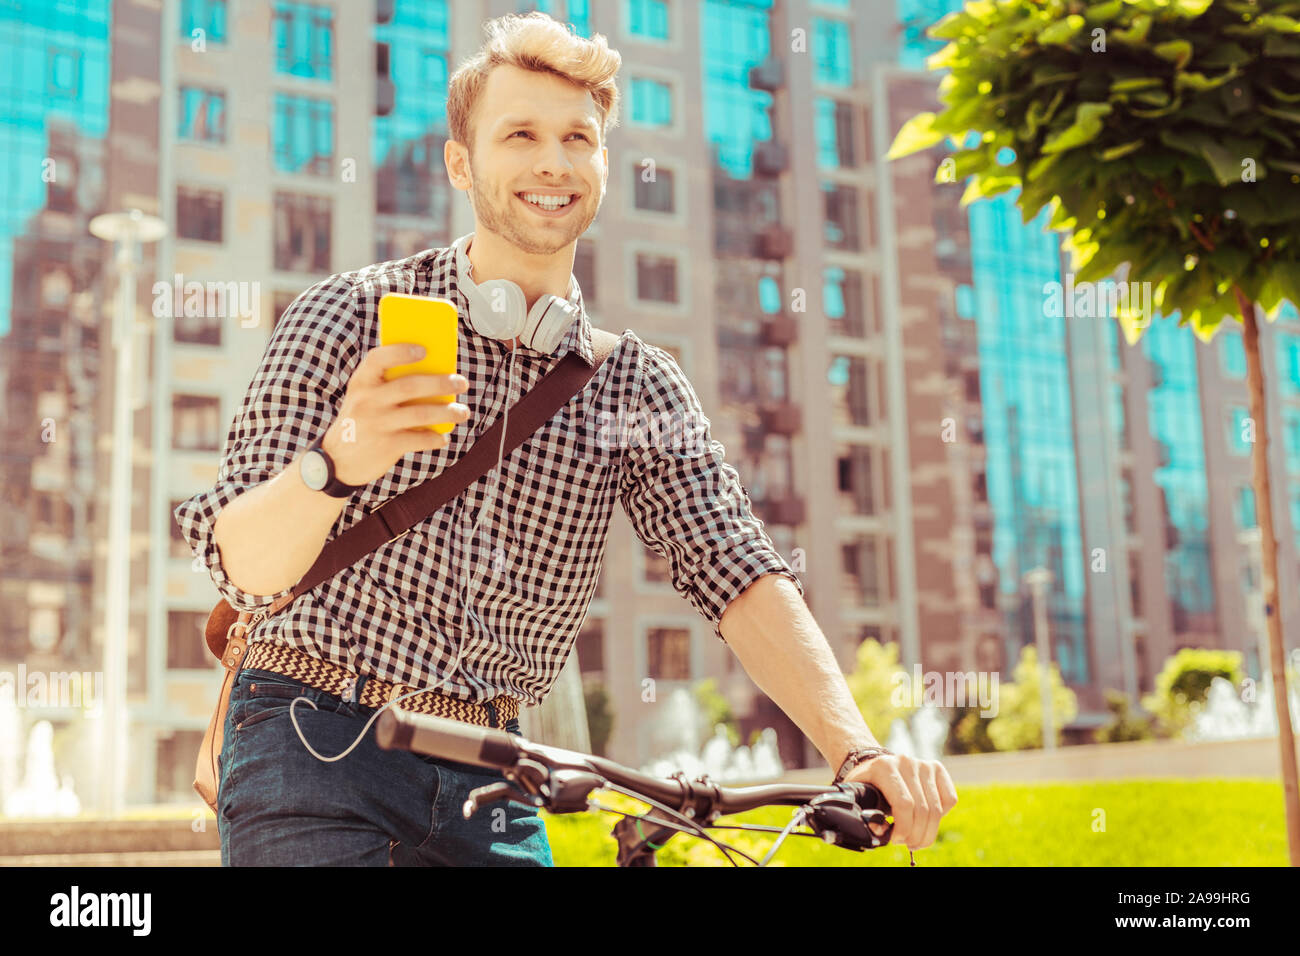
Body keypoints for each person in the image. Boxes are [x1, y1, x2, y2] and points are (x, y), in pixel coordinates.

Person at [174, 11, 956, 867]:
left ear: (603, 165)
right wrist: (340, 462)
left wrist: (857, 750)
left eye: (578, 138)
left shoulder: (634, 384)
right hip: (307, 736)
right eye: (520, 134)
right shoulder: (347, 316)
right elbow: (240, 565)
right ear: (461, 162)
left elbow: (734, 568)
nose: (553, 161)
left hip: (494, 773)